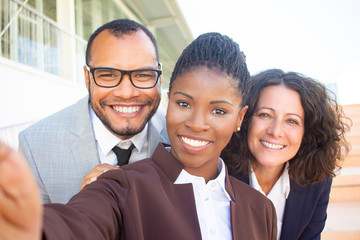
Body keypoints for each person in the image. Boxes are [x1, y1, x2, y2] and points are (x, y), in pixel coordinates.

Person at [0, 32, 277, 240]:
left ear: (240, 118)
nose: (196, 124)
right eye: (184, 104)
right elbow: (71, 223)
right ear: (169, 102)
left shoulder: (261, 210)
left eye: (218, 111)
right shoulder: (120, 185)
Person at [18, 19, 169, 204]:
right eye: (107, 75)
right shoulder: (36, 146)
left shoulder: (179, 137)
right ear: (87, 78)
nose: (127, 93)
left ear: (159, 77)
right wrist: (81, 215)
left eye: (143, 75)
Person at [221, 69, 350, 240]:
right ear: (245, 119)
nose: (275, 131)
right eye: (265, 115)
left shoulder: (317, 182)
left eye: (292, 121)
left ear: (308, 131)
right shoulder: (217, 169)